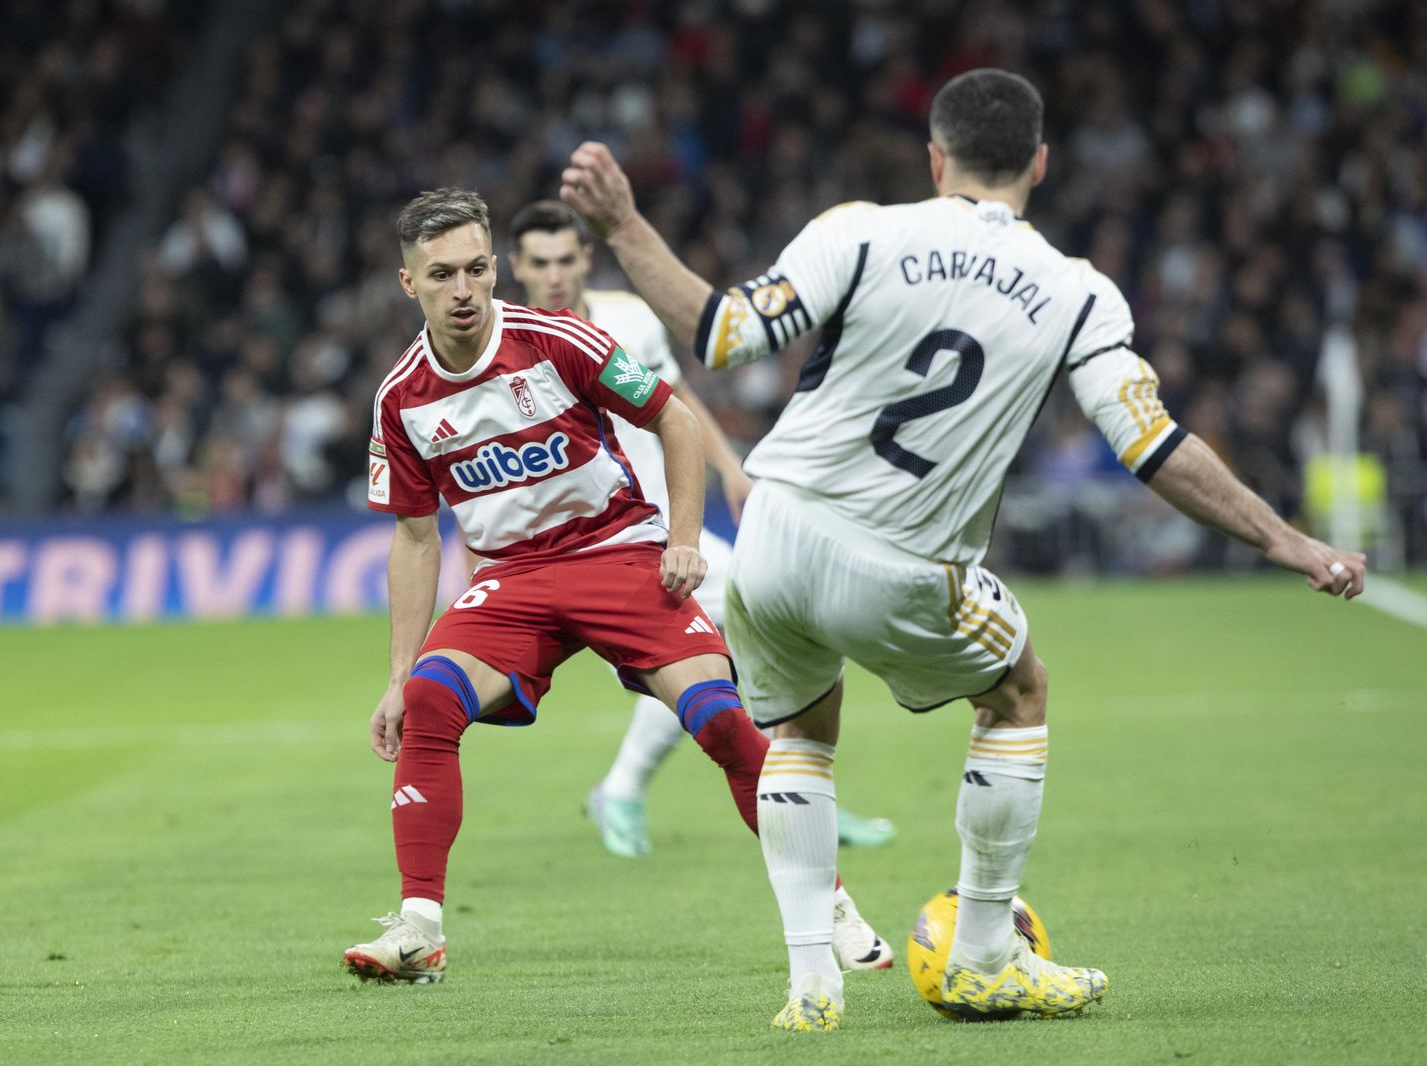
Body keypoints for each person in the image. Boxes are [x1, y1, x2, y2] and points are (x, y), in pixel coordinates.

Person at [559, 68, 1366, 1031]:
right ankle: (985, 952)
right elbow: (1151, 446)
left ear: (934, 158)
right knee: (1018, 689)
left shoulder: (857, 229)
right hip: (902, 561)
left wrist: (625, 228)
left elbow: (722, 332)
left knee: (803, 736)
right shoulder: (1077, 292)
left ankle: (812, 989)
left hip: (774, 528)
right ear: (1041, 162)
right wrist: (1283, 537)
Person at [341, 188, 889, 985]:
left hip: (616, 554)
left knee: (723, 723)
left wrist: (685, 540)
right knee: (427, 700)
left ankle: (833, 909)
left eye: (474, 270)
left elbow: (676, 418)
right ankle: (420, 929)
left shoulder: (560, 342)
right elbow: (416, 536)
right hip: (514, 580)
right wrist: (395, 674)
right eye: (441, 275)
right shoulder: (401, 400)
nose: (462, 290)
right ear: (408, 283)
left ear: (495, 270)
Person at [507, 200, 899, 865]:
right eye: (538, 262)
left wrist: (730, 470)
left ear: (586, 259)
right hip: (597, 550)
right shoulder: (505, 351)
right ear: (515, 267)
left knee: (735, 649)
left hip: (672, 531)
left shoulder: (628, 320)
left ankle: (668, 791)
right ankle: (791, 796)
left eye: (565, 259)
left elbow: (676, 400)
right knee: (754, 636)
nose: (553, 274)